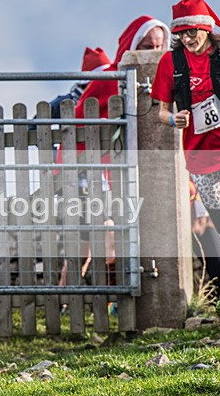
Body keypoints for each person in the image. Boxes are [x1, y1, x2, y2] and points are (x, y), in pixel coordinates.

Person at [150, 0, 220, 325]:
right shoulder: (170, 64)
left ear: (206, 28)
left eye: (193, 32)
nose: (188, 39)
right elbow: (159, 110)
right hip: (199, 155)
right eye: (182, 34)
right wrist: (173, 120)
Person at [58, 17, 169, 287]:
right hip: (93, 175)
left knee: (112, 240)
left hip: (126, 175)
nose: (153, 53)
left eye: (158, 45)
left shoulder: (164, 79)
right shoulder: (109, 78)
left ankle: (104, 300)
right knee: (97, 240)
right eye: (145, 46)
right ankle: (70, 298)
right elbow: (79, 126)